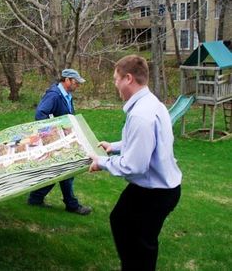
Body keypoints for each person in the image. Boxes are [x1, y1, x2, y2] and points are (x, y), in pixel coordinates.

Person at [89, 55, 182, 270]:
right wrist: (114, 146)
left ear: (128, 78)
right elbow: (145, 141)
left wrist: (102, 162)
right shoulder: (152, 104)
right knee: (123, 223)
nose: (115, 85)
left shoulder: (141, 114)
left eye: (116, 79)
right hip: (161, 187)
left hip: (156, 192)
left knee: (137, 245)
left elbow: (134, 165)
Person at [27, 69, 92, 215]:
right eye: (76, 83)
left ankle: (36, 198)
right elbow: (40, 114)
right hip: (54, 141)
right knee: (66, 170)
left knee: (59, 171)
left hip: (65, 140)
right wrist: (52, 134)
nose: (78, 86)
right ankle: (72, 205)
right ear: (67, 80)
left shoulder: (67, 95)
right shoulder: (54, 95)